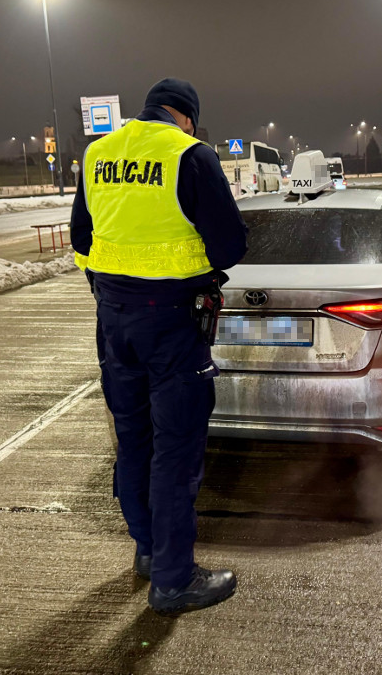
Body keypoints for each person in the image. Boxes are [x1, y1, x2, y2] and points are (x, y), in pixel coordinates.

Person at [70, 77, 248, 615]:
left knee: (133, 437)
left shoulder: (98, 153)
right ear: (186, 118)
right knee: (176, 446)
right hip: (171, 321)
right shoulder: (190, 155)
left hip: (113, 318)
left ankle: (148, 551)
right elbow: (230, 245)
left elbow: (83, 240)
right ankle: (173, 580)